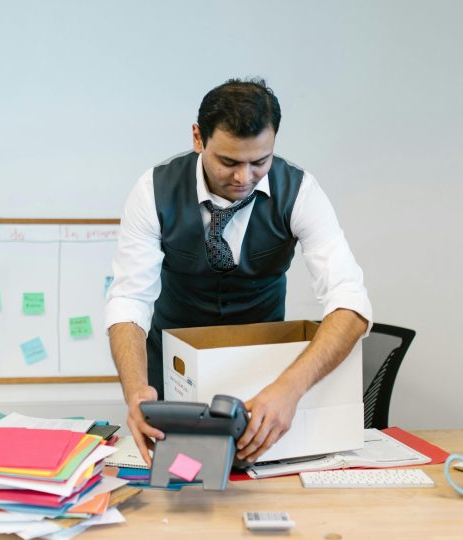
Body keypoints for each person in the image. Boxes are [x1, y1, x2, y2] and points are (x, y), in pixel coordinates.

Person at [106, 77, 372, 467]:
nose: (243, 178)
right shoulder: (152, 190)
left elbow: (351, 302)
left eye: (259, 162)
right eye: (229, 161)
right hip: (173, 383)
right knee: (179, 491)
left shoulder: (301, 192)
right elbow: (129, 300)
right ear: (199, 138)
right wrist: (134, 391)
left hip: (265, 388)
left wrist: (289, 390)